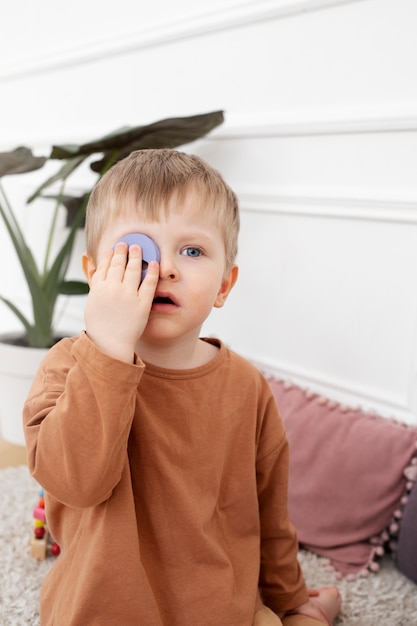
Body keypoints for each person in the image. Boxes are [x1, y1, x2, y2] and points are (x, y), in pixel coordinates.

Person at [24, 149, 341, 626]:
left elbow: (268, 513)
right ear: (95, 276)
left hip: (218, 606)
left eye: (191, 251)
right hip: (102, 610)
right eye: (135, 250)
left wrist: (289, 598)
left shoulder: (246, 386)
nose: (165, 268)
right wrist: (110, 346)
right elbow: (75, 483)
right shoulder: (67, 367)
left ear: (223, 285)